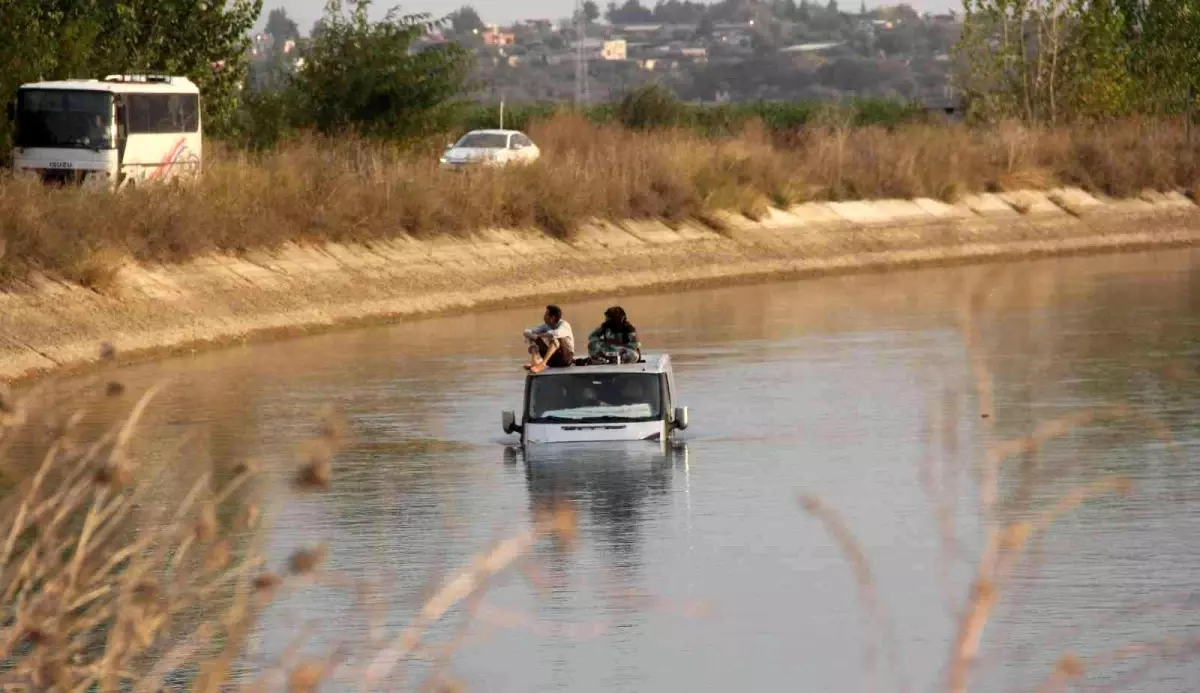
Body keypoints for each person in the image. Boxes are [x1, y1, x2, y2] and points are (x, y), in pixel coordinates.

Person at [523, 304, 575, 373]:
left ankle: (543, 364)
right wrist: (531, 335)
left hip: (566, 359)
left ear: (552, 318)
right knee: (532, 336)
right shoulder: (546, 326)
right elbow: (527, 331)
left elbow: (556, 333)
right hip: (552, 361)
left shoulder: (564, 325)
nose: (544, 317)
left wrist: (539, 335)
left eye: (546, 314)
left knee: (555, 338)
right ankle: (534, 362)